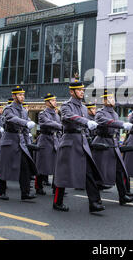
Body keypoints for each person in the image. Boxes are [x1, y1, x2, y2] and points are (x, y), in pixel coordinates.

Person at [53, 81, 105, 213]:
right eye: (79, 90)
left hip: (81, 142)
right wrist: (87, 122)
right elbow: (70, 117)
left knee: (89, 173)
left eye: (83, 90)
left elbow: (87, 125)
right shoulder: (66, 106)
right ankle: (57, 202)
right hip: (69, 142)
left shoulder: (83, 107)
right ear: (72, 92)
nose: (82, 92)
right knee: (63, 173)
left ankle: (94, 203)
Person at [91, 89, 133, 205]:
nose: (112, 100)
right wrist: (122, 124)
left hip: (112, 142)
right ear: (104, 101)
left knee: (119, 170)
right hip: (102, 142)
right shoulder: (100, 113)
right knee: (100, 171)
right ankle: (95, 198)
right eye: (109, 98)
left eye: (113, 98)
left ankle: (123, 195)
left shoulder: (115, 113)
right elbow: (107, 122)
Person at [0, 86, 37, 201]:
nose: (22, 97)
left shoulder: (24, 110)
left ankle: (25, 193)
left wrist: (28, 144)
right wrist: (26, 123)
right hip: (9, 140)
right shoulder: (8, 109)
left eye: (23, 95)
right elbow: (11, 119)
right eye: (19, 95)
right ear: (14, 96)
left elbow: (25, 131)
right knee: (4, 167)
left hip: (20, 142)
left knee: (25, 167)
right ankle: (1, 191)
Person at [35, 93, 62, 195]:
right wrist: (59, 126)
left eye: (55, 100)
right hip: (45, 140)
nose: (55, 102)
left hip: (55, 139)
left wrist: (59, 135)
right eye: (53, 100)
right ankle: (38, 186)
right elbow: (46, 123)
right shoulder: (43, 114)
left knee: (57, 166)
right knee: (42, 165)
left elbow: (59, 128)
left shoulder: (56, 114)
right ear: (47, 102)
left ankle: (56, 187)